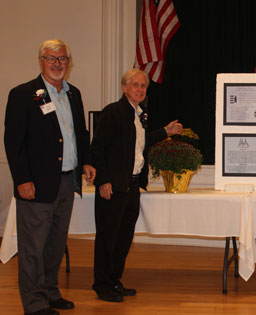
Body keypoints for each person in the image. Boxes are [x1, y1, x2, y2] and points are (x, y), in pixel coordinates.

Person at [4, 39, 96, 315]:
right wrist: (22, 180)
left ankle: (50, 292)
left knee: (55, 244)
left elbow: (80, 133)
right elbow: (14, 142)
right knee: (33, 247)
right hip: (36, 184)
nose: (57, 64)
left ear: (69, 63)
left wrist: (86, 163)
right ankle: (34, 304)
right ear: (40, 61)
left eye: (62, 59)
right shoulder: (23, 94)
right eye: (51, 58)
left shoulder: (74, 94)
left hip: (67, 182)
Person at [90, 69, 183, 302]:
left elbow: (138, 143)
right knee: (107, 238)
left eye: (143, 86)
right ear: (124, 88)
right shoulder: (113, 112)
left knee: (123, 238)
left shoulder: (139, 115)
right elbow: (97, 148)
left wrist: (165, 132)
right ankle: (102, 285)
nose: (140, 89)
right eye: (135, 85)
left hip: (131, 187)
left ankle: (114, 280)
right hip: (113, 187)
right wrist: (103, 181)